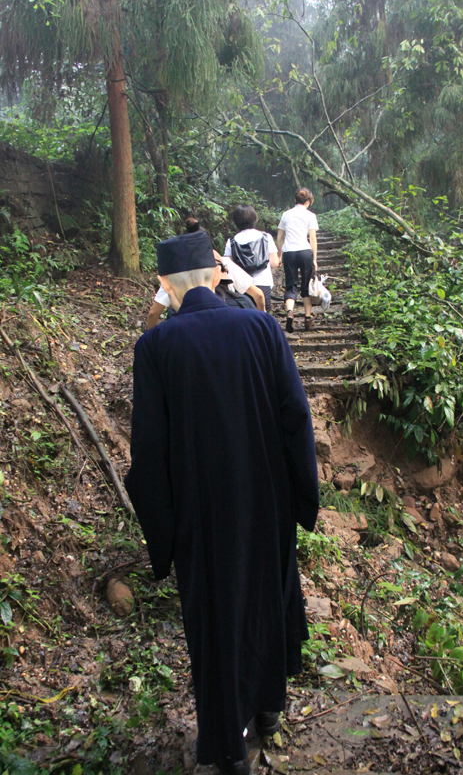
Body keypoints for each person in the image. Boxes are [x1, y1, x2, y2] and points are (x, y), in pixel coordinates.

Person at [125, 230, 319, 775]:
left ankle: (228, 743)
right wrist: (303, 499)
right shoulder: (261, 327)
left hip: (201, 513)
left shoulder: (156, 347)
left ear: (164, 284)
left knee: (215, 617)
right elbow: (295, 417)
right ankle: (269, 707)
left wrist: (162, 537)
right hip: (266, 500)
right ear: (216, 275)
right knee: (266, 596)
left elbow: (150, 449)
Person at [147, 232, 265, 328]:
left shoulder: (163, 334)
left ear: (165, 284)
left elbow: (154, 312)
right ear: (217, 275)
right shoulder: (251, 315)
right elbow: (258, 294)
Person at [276, 187, 319, 333]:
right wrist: (314, 259)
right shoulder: (310, 215)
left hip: (289, 253)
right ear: (308, 201)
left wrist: (280, 255)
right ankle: (307, 319)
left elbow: (279, 237)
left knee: (291, 286)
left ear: (295, 200)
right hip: (305, 252)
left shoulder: (286, 215)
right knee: (306, 286)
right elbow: (312, 238)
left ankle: (289, 312)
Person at [224, 204, 279, 312]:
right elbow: (274, 263)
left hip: (242, 286)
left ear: (236, 221)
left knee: (245, 318)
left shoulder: (232, 241)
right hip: (263, 282)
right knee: (263, 318)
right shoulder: (266, 237)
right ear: (254, 218)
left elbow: (227, 266)